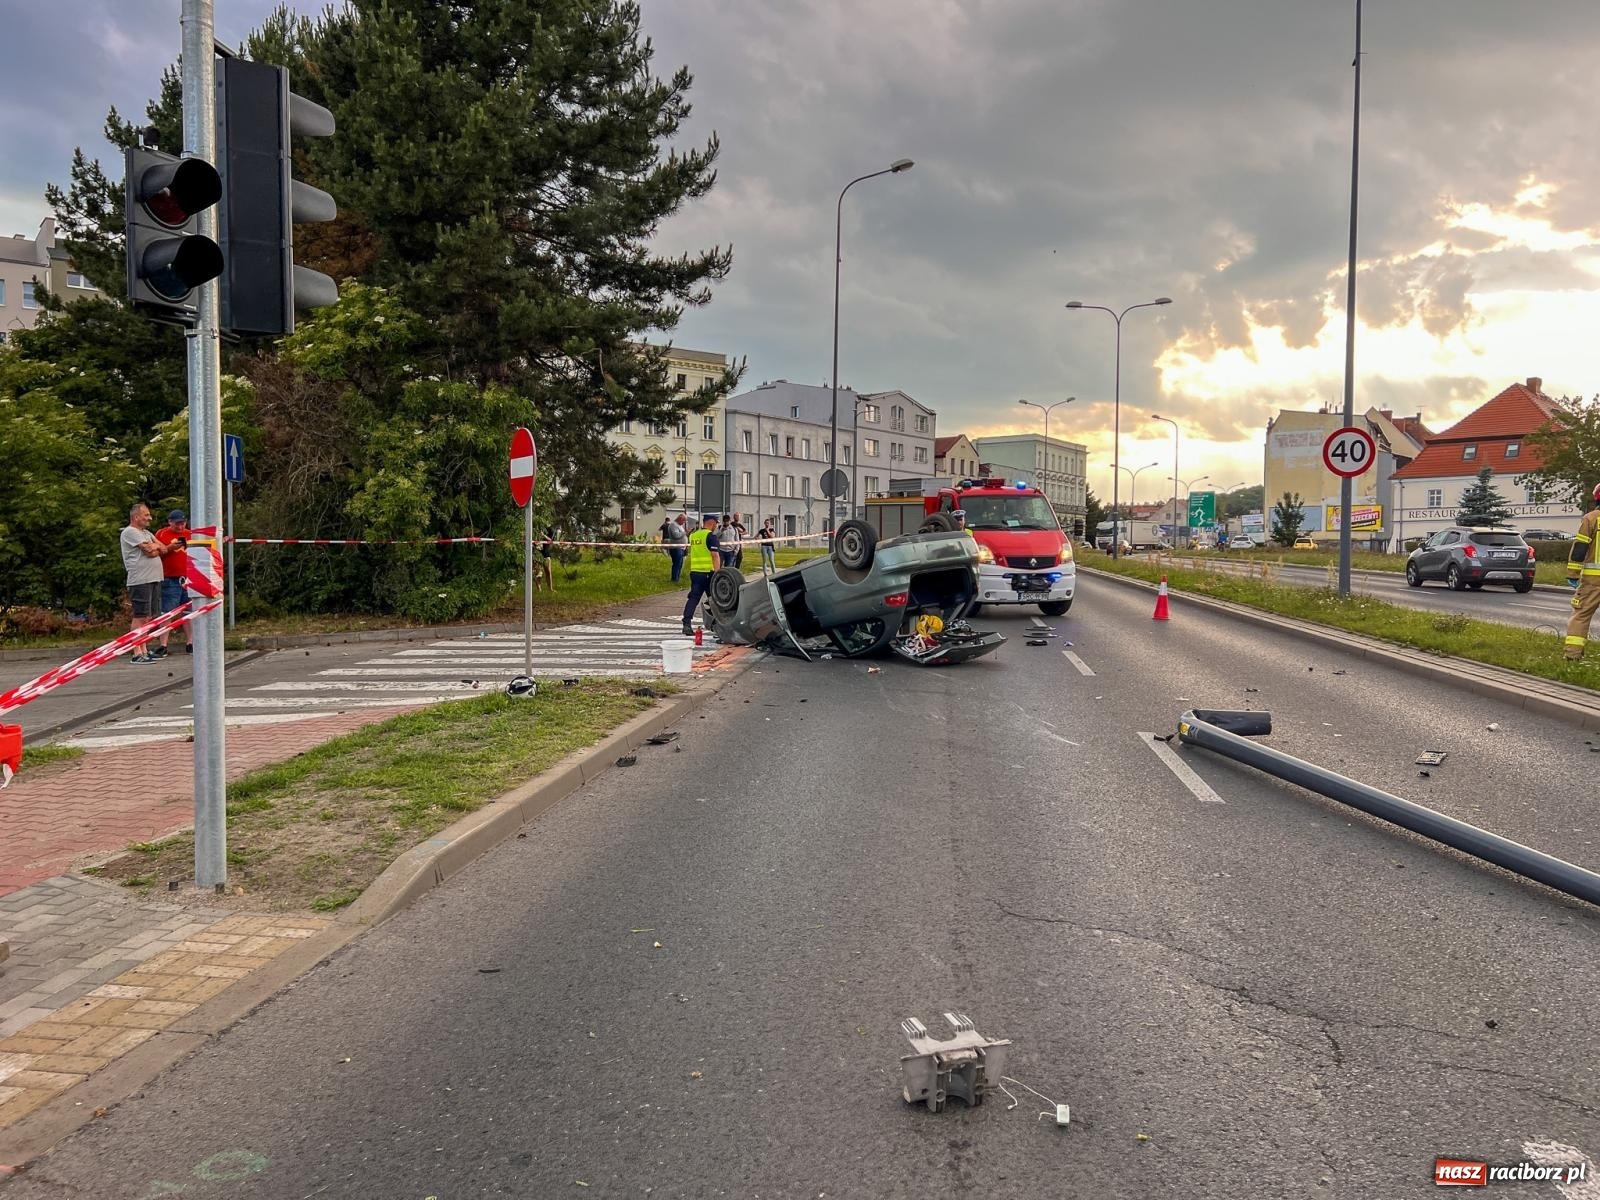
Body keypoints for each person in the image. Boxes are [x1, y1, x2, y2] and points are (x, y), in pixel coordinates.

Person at [120, 503, 181, 663]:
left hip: (154, 578)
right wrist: (156, 548)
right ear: (136, 517)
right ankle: (136, 653)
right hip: (140, 579)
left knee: (149, 617)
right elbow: (151, 552)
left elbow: (163, 549)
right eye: (146, 515)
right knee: (140, 616)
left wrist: (157, 547)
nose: (150, 518)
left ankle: (145, 649)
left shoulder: (146, 533)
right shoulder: (130, 532)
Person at [1563, 483, 1600, 661]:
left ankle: (1572, 656)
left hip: (1594, 581)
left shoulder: (1591, 519)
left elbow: (1580, 549)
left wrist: (1573, 574)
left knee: (1581, 615)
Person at [153, 508, 193, 656]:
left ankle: (191, 642)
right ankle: (163, 645)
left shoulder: (190, 534)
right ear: (170, 522)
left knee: (188, 612)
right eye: (177, 524)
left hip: (188, 578)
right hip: (170, 578)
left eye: (183, 523)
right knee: (167, 613)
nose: (181, 527)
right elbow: (157, 552)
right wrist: (170, 548)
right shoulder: (162, 534)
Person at [682, 513, 722, 636]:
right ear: (712, 522)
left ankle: (686, 624)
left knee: (693, 598)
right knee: (716, 600)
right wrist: (718, 573)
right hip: (708, 574)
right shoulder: (711, 537)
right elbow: (715, 556)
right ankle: (719, 625)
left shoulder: (694, 536)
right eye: (716, 523)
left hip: (695, 572)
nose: (716, 526)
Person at [660, 514, 688, 583]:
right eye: (683, 520)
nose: (684, 522)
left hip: (681, 547)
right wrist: (684, 533)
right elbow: (676, 535)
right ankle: (674, 579)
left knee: (680, 564)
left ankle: (677, 578)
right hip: (676, 548)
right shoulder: (673, 525)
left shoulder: (679, 526)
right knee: (677, 563)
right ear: (680, 519)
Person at [539, 526, 557, 591]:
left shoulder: (550, 529)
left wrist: (543, 535)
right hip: (537, 553)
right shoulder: (536, 527)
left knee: (548, 572)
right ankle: (539, 589)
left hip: (546, 553)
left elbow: (551, 540)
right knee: (538, 572)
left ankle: (550, 589)